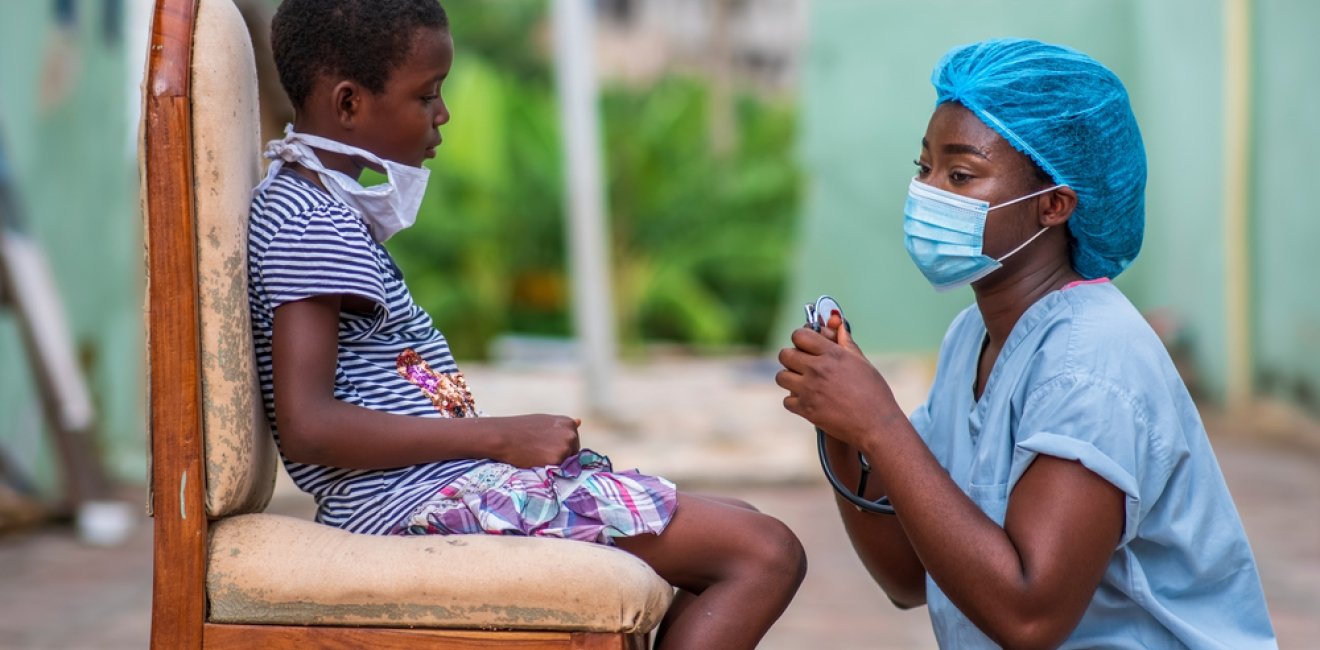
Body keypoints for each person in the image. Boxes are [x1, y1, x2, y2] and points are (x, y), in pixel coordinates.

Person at [247, 2, 806, 647]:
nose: (443, 112)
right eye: (426, 94)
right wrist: (499, 438)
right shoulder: (313, 221)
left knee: (739, 522)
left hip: (429, 490)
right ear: (348, 104)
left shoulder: (317, 206)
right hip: (409, 508)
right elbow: (310, 426)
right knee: (764, 552)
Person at [777, 38, 1277, 649]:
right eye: (924, 167)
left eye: (961, 175)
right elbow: (909, 577)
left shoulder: (1091, 362)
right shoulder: (973, 337)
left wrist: (880, 423)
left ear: (1053, 205)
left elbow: (1029, 617)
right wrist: (845, 430)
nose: (928, 192)